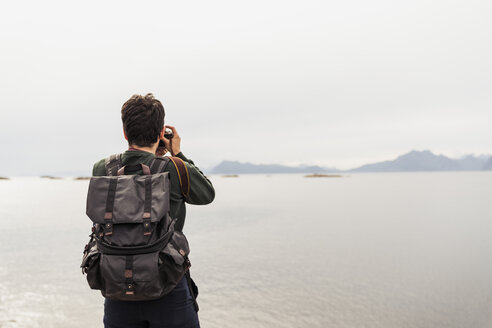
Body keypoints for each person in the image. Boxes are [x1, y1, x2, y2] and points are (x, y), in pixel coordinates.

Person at [91, 93, 215, 328]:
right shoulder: (174, 168)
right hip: (167, 284)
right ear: (161, 134)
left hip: (117, 286)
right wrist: (176, 154)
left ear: (125, 133)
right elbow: (206, 194)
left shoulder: (103, 168)